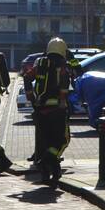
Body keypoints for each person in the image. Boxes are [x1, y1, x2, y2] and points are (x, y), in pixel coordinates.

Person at [31, 36, 72, 189]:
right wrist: (63, 102)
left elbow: (27, 77)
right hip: (57, 110)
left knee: (47, 141)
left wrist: (31, 98)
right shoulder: (62, 66)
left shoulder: (40, 63)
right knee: (62, 140)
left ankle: (49, 173)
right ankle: (46, 161)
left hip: (41, 109)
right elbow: (64, 87)